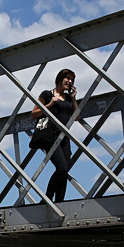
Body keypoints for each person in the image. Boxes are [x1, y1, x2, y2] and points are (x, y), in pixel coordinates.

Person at [31, 69, 78, 203]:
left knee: (64, 171)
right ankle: (48, 197)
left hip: (64, 137)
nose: (69, 82)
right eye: (67, 78)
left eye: (72, 80)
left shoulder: (68, 98)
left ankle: (59, 202)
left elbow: (77, 116)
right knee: (61, 167)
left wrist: (74, 99)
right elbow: (34, 114)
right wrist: (50, 104)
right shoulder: (46, 94)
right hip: (50, 137)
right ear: (60, 79)